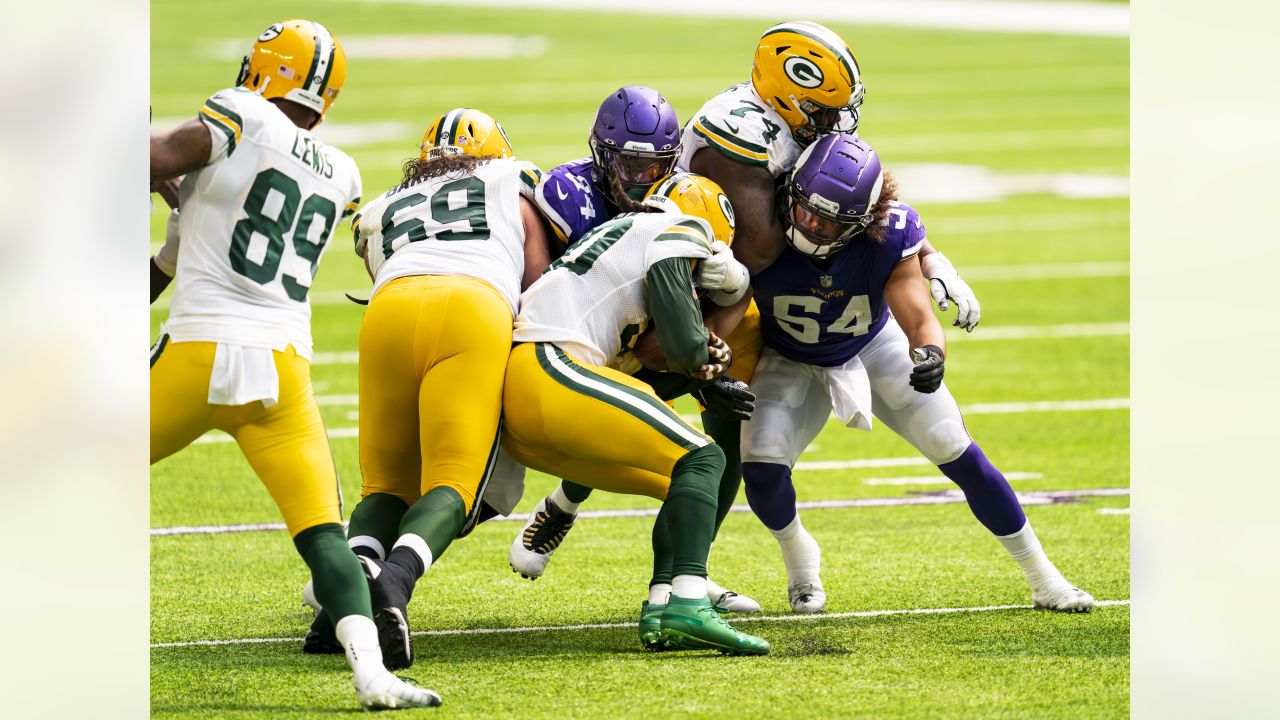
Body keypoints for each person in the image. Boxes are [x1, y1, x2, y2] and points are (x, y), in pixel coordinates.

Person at [149, 19, 438, 709]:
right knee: (324, 538)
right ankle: (373, 675)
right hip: (281, 372)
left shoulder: (241, 112)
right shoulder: (344, 172)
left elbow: (158, 155)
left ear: (264, 70)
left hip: (200, 352)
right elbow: (184, 238)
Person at [742, 132, 1095, 615]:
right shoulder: (756, 224)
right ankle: (801, 562)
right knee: (761, 470)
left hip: (870, 343)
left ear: (862, 222)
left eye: (830, 221)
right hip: (788, 355)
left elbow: (917, 312)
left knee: (956, 448)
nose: (812, 226)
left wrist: (929, 352)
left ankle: (1044, 578)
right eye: (805, 210)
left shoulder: (887, 233)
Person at [301, 107, 552, 674]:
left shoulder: (385, 203)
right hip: (474, 304)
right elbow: (537, 282)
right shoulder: (514, 179)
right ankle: (394, 582)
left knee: (384, 484)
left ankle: (353, 587)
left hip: (389, 308)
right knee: (452, 484)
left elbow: (377, 266)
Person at [509, 86, 762, 613]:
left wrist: (732, 292)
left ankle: (681, 574)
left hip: (638, 326)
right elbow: (546, 287)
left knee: (715, 435)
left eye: (654, 167)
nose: (640, 179)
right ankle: (666, 580)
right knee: (678, 443)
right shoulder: (570, 196)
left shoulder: (680, 203)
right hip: (569, 337)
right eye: (627, 164)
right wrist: (703, 368)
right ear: (602, 153)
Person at [680, 20, 980, 329]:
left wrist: (928, 257)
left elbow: (861, 197)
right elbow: (759, 252)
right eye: (823, 108)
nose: (836, 118)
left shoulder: (792, 116)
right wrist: (830, 211)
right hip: (693, 280)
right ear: (787, 98)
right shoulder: (741, 133)